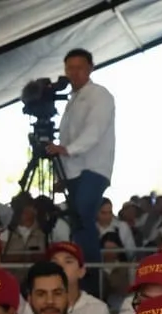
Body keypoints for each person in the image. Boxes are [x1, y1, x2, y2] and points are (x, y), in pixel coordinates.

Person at [45, 48, 115, 265]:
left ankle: (91, 272)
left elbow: (95, 130)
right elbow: (66, 138)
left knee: (83, 216)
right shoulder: (72, 100)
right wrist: (62, 176)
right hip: (73, 171)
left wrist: (67, 150)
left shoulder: (99, 94)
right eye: (70, 68)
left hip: (94, 168)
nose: (74, 73)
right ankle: (78, 267)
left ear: (90, 69)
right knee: (76, 221)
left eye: (79, 68)